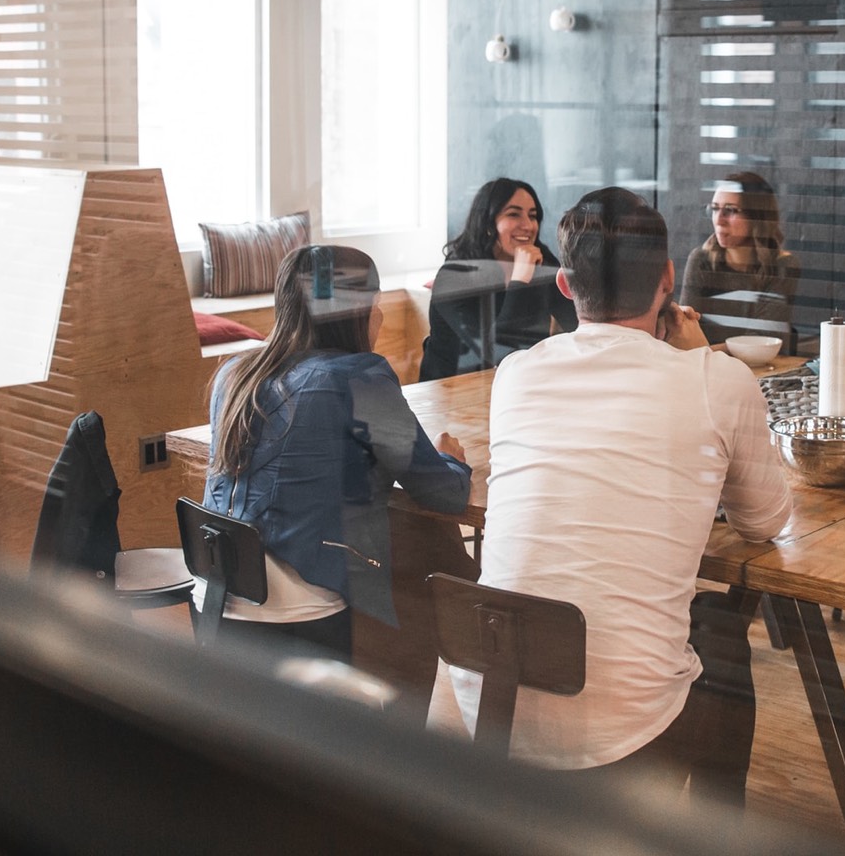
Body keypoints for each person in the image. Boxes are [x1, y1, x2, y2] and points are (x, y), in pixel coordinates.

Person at [451, 186, 791, 808]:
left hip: (487, 703)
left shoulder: (517, 374)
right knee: (721, 637)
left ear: (563, 284)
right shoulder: (718, 379)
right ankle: (720, 830)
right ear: (668, 279)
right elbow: (766, 521)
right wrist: (701, 359)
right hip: (622, 732)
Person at [201, 245, 472, 665]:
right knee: (425, 565)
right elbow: (443, 494)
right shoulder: (359, 378)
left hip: (217, 600)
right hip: (300, 613)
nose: (379, 316)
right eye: (377, 304)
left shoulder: (232, 375)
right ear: (359, 311)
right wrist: (453, 458)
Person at [419, 178, 579, 381]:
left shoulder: (542, 261)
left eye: (533, 216)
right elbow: (498, 353)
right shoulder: (454, 276)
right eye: (513, 214)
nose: (528, 225)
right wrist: (521, 280)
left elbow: (579, 323)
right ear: (487, 223)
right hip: (452, 391)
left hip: (520, 382)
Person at [679, 171, 802, 350]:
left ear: (756, 217)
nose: (719, 220)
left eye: (730, 210)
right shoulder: (701, 260)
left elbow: (762, 341)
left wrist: (703, 351)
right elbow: (684, 329)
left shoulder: (783, 266)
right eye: (714, 209)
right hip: (707, 367)